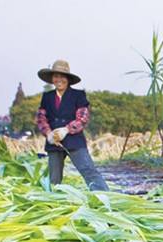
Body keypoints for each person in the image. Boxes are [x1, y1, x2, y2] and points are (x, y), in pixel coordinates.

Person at [35, 60, 108, 191]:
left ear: (68, 79)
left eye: (62, 76)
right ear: (52, 79)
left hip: (73, 140)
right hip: (54, 142)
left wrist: (66, 130)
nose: (59, 80)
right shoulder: (47, 96)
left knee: (88, 170)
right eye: (56, 76)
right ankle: (54, 203)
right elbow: (41, 118)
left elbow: (83, 118)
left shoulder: (78, 95)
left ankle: (105, 197)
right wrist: (48, 134)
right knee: (54, 178)